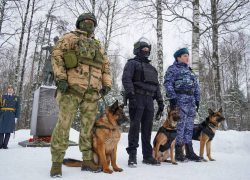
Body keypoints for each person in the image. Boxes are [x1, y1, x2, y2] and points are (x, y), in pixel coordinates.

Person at [50, 13, 112, 177]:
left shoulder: (98, 46)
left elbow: (105, 66)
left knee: (88, 128)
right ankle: (57, 163)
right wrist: (61, 78)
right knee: (63, 126)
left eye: (92, 22)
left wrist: (106, 84)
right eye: (86, 21)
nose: (89, 23)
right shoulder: (70, 37)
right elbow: (57, 56)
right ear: (79, 23)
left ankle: (87, 160)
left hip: (92, 93)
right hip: (71, 89)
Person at [122, 37, 164, 167]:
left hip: (149, 100)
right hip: (137, 97)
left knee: (147, 128)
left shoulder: (152, 68)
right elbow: (126, 79)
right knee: (135, 127)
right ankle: (132, 156)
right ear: (138, 50)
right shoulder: (132, 63)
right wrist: (131, 95)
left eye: (147, 49)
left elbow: (156, 85)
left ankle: (147, 156)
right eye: (143, 49)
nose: (146, 50)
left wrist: (160, 102)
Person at [163, 48, 203, 162]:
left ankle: (190, 152)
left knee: (189, 127)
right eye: (185, 56)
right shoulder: (173, 69)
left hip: (191, 101)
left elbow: (195, 86)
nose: (187, 58)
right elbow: (167, 83)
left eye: (188, 56)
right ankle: (179, 153)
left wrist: (197, 100)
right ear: (178, 58)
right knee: (180, 126)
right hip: (180, 100)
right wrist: (173, 97)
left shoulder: (191, 71)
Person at [0, 85, 20, 149]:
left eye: (11, 88)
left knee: (8, 130)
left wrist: (16, 117)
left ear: (13, 90)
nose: (10, 89)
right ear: (7, 90)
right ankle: (0, 144)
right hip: (3, 114)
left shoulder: (16, 98)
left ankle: (5, 145)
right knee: (1, 130)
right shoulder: (2, 97)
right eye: (9, 88)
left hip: (11, 115)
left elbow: (18, 108)